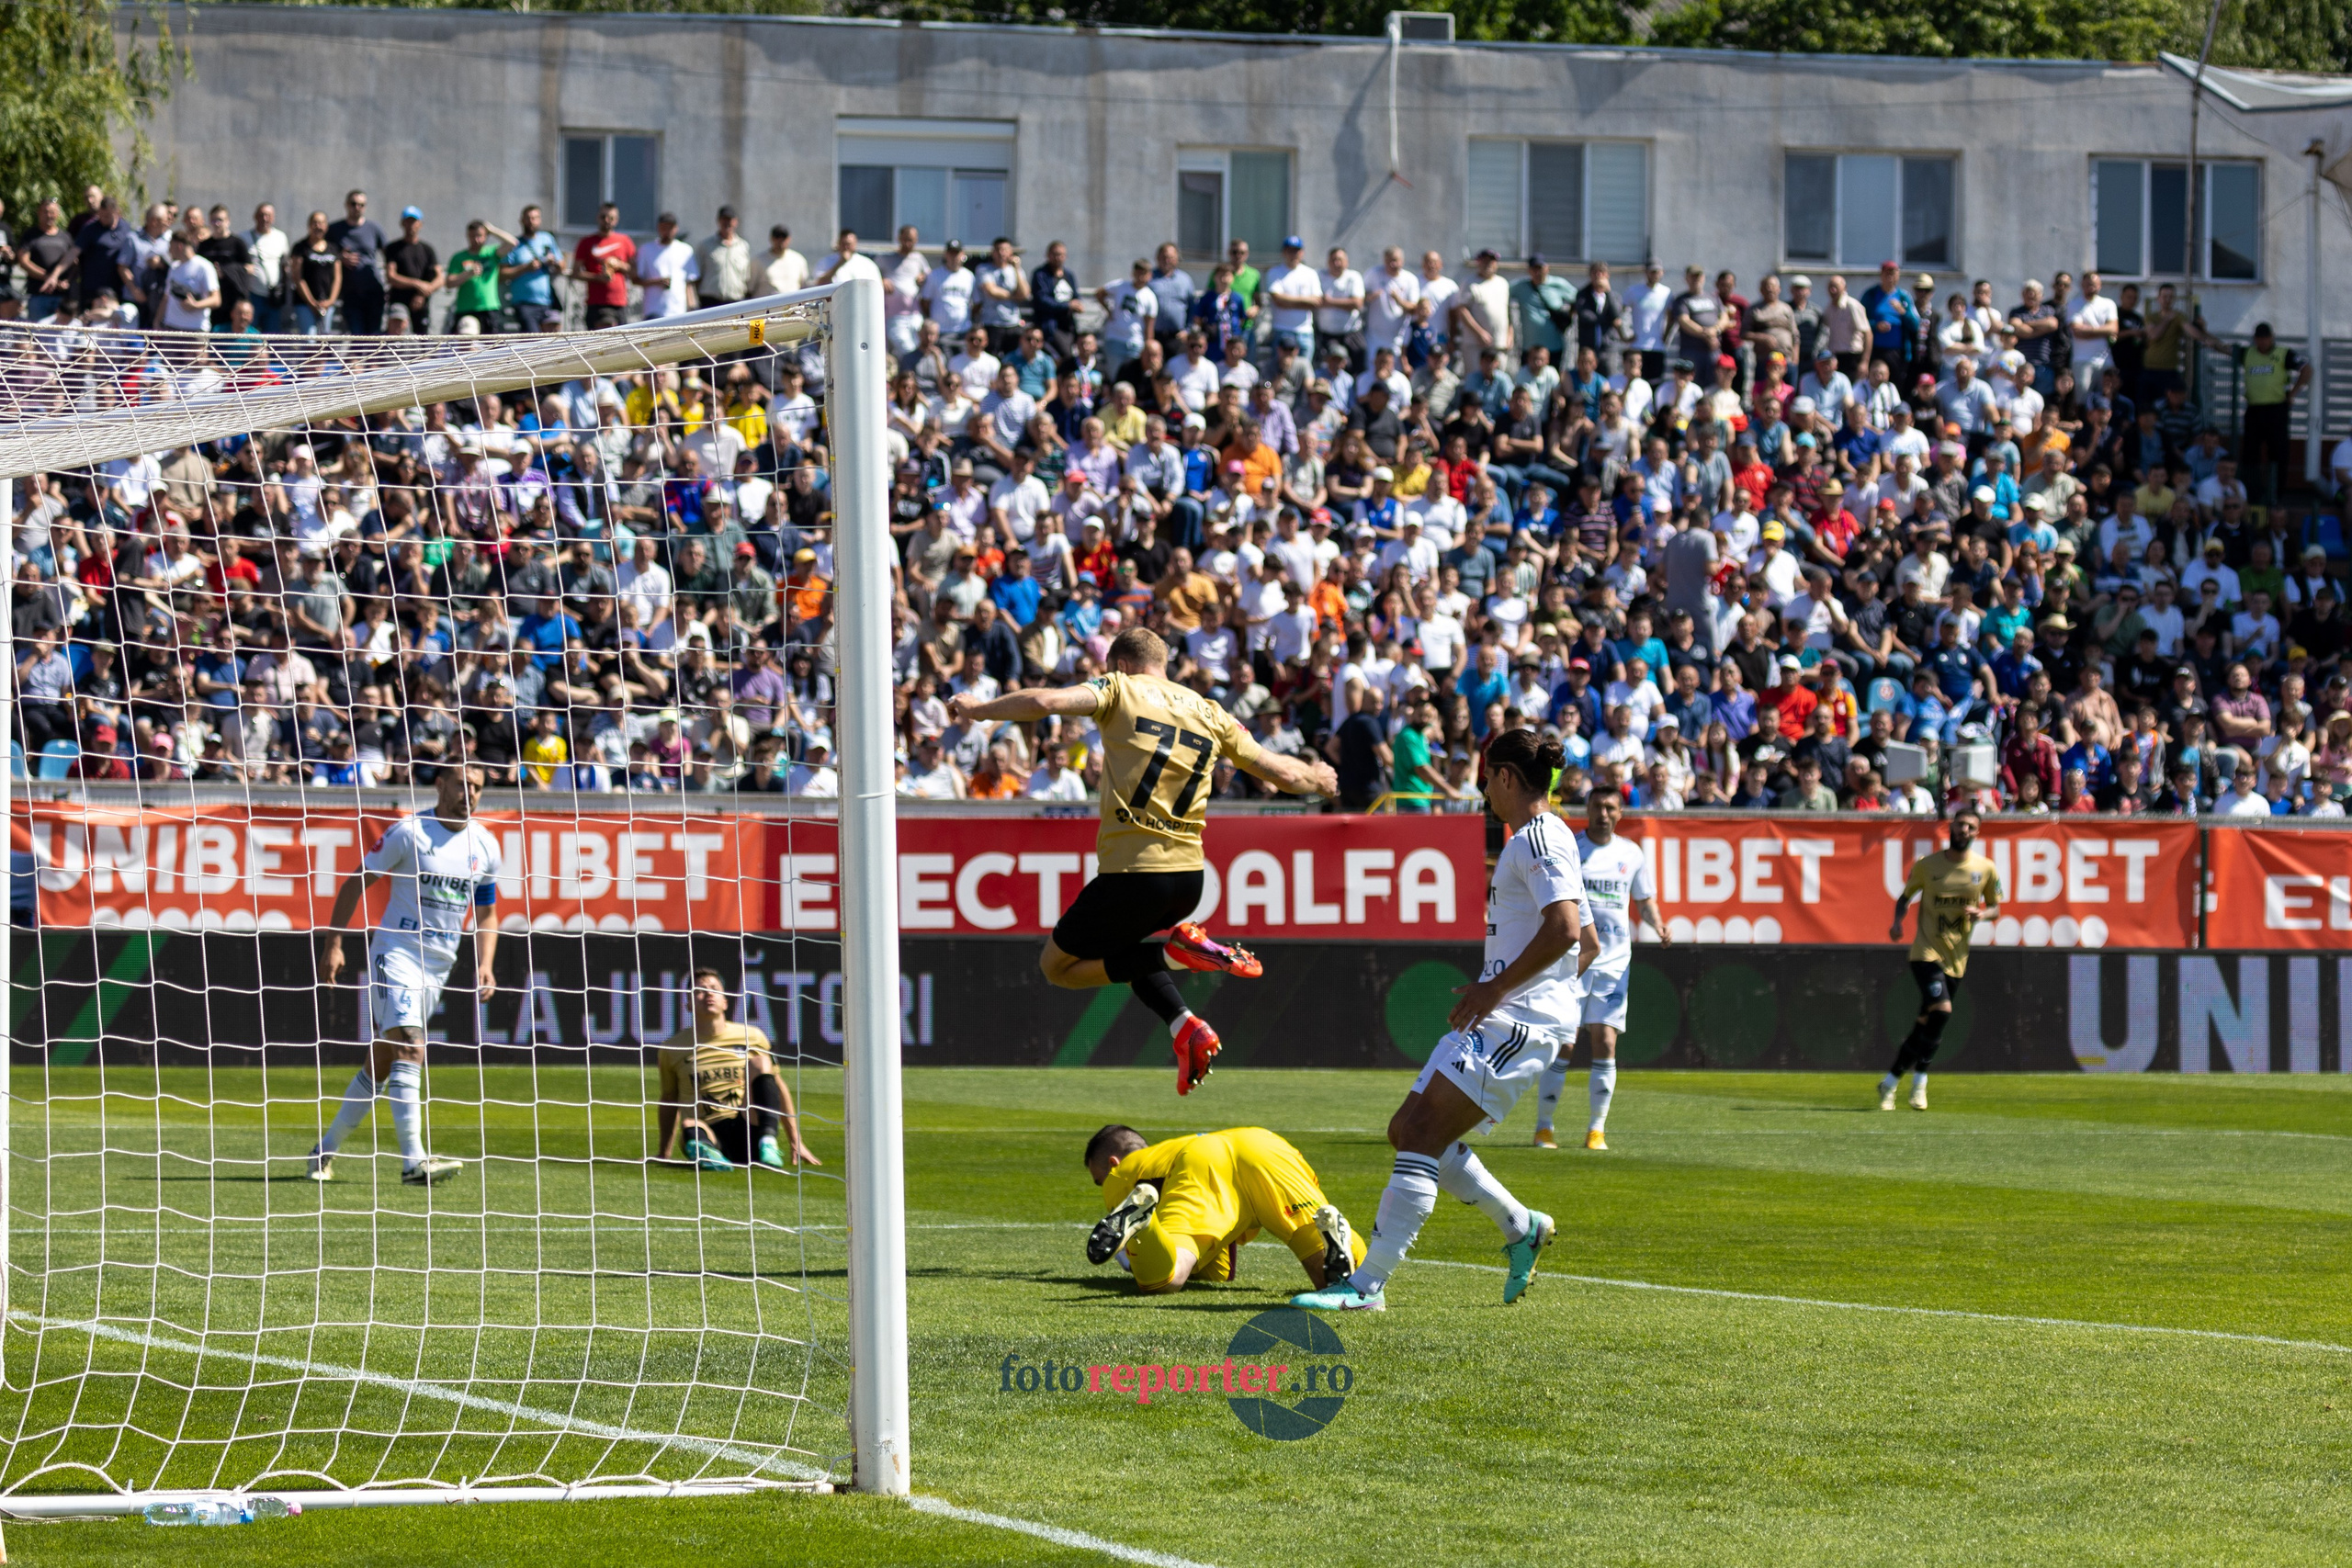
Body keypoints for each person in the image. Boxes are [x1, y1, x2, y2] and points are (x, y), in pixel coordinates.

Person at [944, 626, 1337, 1093]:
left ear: (1121, 664)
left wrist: (978, 710)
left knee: (1057, 967)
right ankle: (1183, 1024)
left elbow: (1046, 702)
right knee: (1126, 953)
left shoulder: (1118, 688)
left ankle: (1176, 953)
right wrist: (1319, 778)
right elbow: (1280, 771)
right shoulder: (1210, 711)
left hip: (1133, 872)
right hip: (1189, 879)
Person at [1292, 727, 1598, 1314]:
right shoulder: (1552, 835)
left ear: (1507, 777)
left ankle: (1366, 1286)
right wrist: (1545, 998)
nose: (1483, 788)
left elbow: (1565, 932)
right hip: (1516, 1015)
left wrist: (1505, 993)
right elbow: (1587, 938)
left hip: (1515, 1020)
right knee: (1407, 1129)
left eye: (1487, 776)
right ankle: (1521, 1226)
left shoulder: (1536, 837)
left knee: (1423, 1136)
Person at [308, 762, 500, 1185]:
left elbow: (486, 913)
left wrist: (485, 964)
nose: (468, 793)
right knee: (412, 1047)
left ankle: (323, 1150)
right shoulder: (409, 833)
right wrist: (334, 944)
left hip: (439, 965)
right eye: (460, 784)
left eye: (477, 787)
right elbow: (354, 883)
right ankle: (414, 1161)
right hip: (395, 953)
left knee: (380, 1063)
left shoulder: (485, 845)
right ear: (440, 786)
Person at [1533, 788, 1668, 1151]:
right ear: (1588, 810)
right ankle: (1544, 1127)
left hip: (1614, 962)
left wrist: (1658, 925)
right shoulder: (1573, 849)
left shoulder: (1631, 854)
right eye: (1597, 807)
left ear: (1620, 812)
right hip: (1574, 959)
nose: (1603, 814)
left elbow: (1644, 899)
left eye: (1610, 808)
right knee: (1564, 1043)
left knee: (1605, 1040)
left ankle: (1596, 1130)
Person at [1083, 1124, 1363, 1295]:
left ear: (1113, 1162)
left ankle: (1144, 1223)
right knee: (1347, 1288)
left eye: (1099, 1181)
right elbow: (1218, 1273)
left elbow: (1138, 1265)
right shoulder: (1170, 1148)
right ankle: (1336, 1240)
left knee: (1163, 1279)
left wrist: (1131, 1257)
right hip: (1267, 1145)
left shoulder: (1122, 1173)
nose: (1103, 1186)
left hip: (1204, 1164)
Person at [1880, 803, 2003, 1112]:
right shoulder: (1928, 865)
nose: (1964, 831)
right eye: (1960, 824)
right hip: (1925, 952)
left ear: (1977, 832)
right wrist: (1897, 923)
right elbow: (1904, 897)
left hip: (1956, 958)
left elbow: (1996, 908)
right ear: (1951, 827)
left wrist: (1982, 913)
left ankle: (1890, 1082)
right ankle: (1920, 1083)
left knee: (1926, 1024)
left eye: (1970, 827)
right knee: (1943, 1010)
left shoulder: (1985, 869)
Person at [656, 967, 820, 1172]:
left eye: (714, 988)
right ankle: (711, 1156)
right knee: (690, 1124)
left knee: (760, 1063)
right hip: (709, 1129)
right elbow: (669, 1100)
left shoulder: (752, 1036)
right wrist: (664, 1152)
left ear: (725, 1000)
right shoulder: (672, 1048)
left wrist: (796, 1141)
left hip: (748, 1126)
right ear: (688, 1004)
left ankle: (768, 1141)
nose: (708, 993)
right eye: (700, 990)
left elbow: (778, 1088)